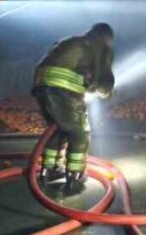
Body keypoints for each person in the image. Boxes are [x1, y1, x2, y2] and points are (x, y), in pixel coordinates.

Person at [32, 23, 115, 191]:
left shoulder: (70, 41)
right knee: (80, 131)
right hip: (64, 91)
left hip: (41, 87)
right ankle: (75, 175)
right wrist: (105, 92)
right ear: (106, 38)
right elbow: (104, 79)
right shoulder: (101, 47)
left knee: (58, 129)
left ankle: (48, 170)